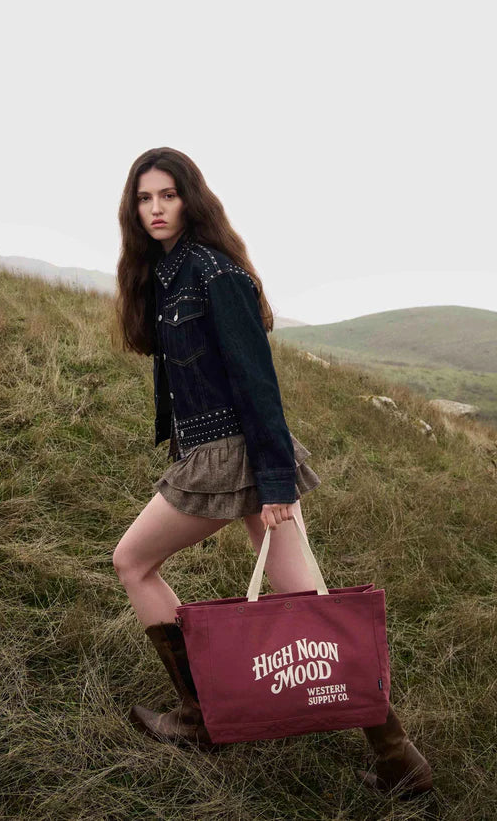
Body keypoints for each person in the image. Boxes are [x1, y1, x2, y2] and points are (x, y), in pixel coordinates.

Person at [111, 147, 433, 799]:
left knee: (132, 563)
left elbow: (257, 382)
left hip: (234, 458)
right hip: (220, 455)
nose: (155, 209)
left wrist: (276, 485)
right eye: (144, 199)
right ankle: (401, 761)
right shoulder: (165, 275)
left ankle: (203, 717)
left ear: (189, 198)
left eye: (166, 195)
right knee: (314, 609)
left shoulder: (214, 274)